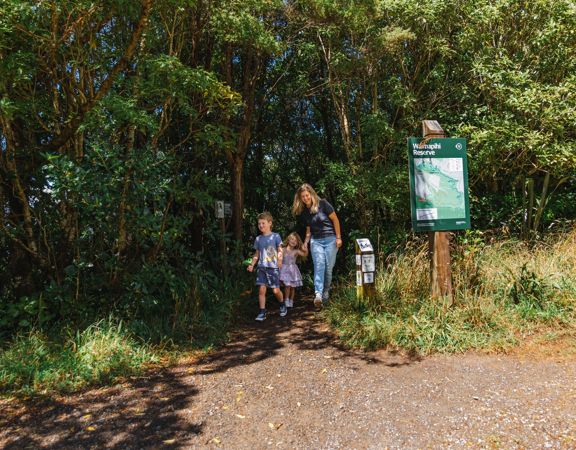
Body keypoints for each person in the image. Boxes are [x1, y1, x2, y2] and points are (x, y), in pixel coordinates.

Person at [292, 183, 342, 308]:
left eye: (307, 195)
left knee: (328, 268)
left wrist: (338, 237)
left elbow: (335, 220)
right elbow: (309, 230)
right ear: (300, 198)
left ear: (311, 194)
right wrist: (305, 243)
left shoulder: (323, 204)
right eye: (302, 196)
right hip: (316, 241)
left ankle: (326, 291)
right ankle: (318, 294)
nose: (305, 198)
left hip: (331, 239)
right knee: (319, 265)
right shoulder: (304, 212)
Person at [246, 212, 287, 321]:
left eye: (263, 223)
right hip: (261, 268)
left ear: (270, 223)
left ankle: (282, 304)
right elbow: (257, 254)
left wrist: (280, 259)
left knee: (275, 290)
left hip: (273, 268)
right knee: (262, 290)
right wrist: (252, 264)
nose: (261, 225)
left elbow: (280, 249)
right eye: (259, 224)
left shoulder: (276, 236)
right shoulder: (258, 239)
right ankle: (262, 311)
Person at [279, 232, 309, 308]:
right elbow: (279, 259)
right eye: (292, 239)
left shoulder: (296, 251)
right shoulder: (283, 249)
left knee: (292, 287)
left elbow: (305, 254)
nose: (293, 241)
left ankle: (291, 300)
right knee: (287, 285)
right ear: (288, 239)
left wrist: (305, 247)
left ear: (297, 243)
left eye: (295, 241)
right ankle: (286, 300)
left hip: (293, 270)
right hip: (284, 270)